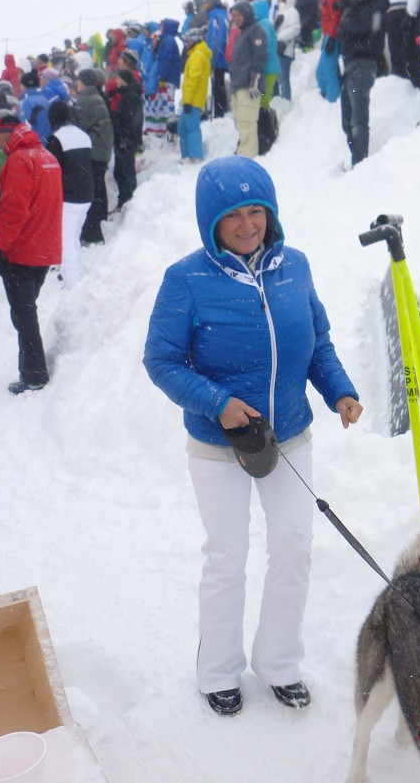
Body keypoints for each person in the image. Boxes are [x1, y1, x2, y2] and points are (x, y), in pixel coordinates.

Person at [142, 156, 362, 716]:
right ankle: (218, 670)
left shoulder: (297, 267)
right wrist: (218, 403)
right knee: (227, 555)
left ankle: (279, 664)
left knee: (294, 548)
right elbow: (162, 361)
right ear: (209, 222)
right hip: (220, 446)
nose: (246, 225)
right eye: (232, 215)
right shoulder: (185, 279)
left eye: (256, 211)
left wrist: (338, 390)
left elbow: (318, 341)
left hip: (288, 435)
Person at [0, 111, 62, 394]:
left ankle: (35, 376)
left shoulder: (18, 160)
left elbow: (17, 211)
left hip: (22, 251)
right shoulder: (47, 157)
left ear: (8, 132)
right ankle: (32, 369)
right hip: (44, 250)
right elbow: (33, 199)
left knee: (24, 316)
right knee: (25, 312)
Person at [336, 0, 389, 166]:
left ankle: (361, 163)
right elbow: (343, 33)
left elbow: (364, 26)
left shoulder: (377, 1)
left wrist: (348, 25)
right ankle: (356, 160)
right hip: (350, 65)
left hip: (364, 63)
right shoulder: (356, 5)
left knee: (358, 119)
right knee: (347, 121)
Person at [46, 100, 93, 288]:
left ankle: (72, 285)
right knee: (74, 238)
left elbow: (53, 171)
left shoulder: (56, 138)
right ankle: (76, 276)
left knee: (65, 241)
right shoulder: (83, 135)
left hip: (68, 196)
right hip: (87, 193)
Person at [74, 69, 114, 243]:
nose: (76, 83)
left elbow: (79, 126)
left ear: (84, 82)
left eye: (79, 80)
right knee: (99, 189)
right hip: (101, 150)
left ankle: (92, 232)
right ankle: (100, 223)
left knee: (91, 192)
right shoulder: (96, 97)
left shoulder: (85, 100)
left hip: (93, 151)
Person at [228, 0, 267, 158]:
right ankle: (243, 154)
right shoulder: (241, 33)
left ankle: (248, 158)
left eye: (238, 15)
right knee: (239, 122)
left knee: (247, 123)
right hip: (238, 85)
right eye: (234, 15)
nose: (235, 18)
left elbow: (260, 57)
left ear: (246, 14)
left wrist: (254, 82)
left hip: (249, 85)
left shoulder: (256, 30)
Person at [110, 69, 144, 210]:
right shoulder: (129, 94)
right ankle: (123, 200)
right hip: (125, 139)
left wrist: (125, 138)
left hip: (126, 141)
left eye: (118, 78)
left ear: (124, 80)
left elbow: (131, 120)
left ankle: (128, 202)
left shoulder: (131, 96)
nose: (116, 81)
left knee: (124, 172)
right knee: (121, 171)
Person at [178, 26, 212, 162]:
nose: (186, 45)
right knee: (184, 128)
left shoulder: (197, 56)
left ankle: (195, 156)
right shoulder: (196, 54)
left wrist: (188, 100)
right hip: (191, 99)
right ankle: (187, 155)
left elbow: (194, 79)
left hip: (193, 100)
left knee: (191, 129)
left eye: (187, 42)